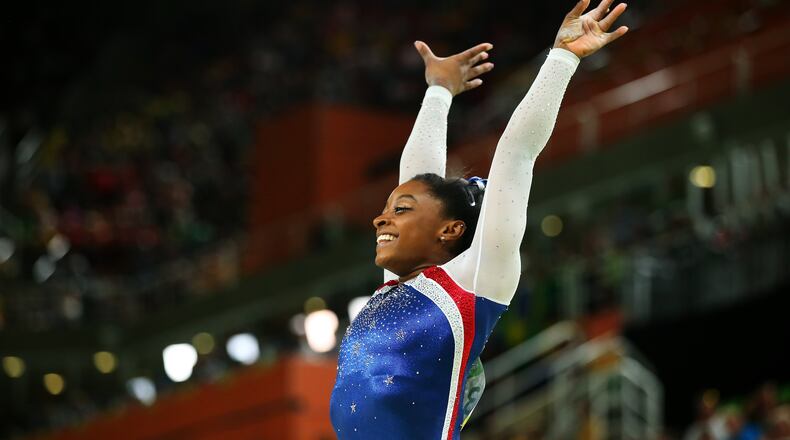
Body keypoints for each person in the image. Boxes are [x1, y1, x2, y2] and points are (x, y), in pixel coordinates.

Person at [329, 1, 629, 438]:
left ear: (450, 229)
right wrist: (438, 92)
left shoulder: (473, 285)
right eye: (387, 208)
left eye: (400, 210)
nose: (380, 219)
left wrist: (562, 58)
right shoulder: (396, 290)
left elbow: (516, 153)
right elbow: (416, 179)